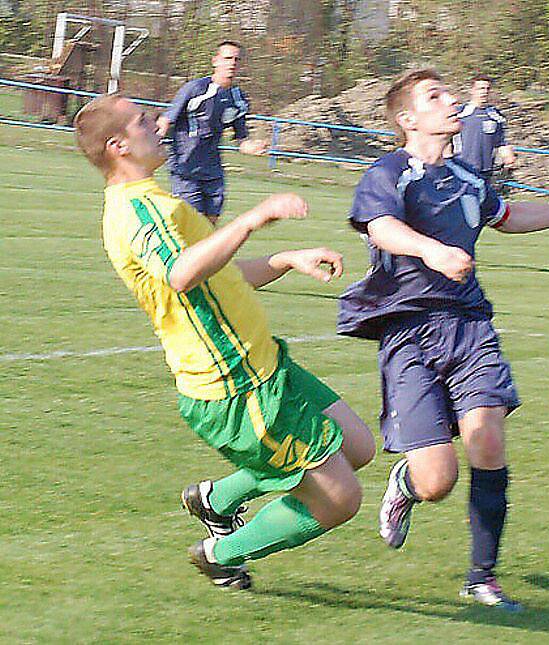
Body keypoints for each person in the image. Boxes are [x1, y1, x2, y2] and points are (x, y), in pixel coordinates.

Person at [337, 69, 549, 611]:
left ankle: (482, 576)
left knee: (488, 441)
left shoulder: (469, 177)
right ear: (408, 119)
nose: (450, 102)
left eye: (448, 92)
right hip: (409, 331)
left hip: (470, 325)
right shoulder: (390, 172)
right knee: (438, 480)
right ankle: (408, 482)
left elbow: (512, 217)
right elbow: (379, 226)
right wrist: (432, 251)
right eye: (435, 96)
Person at [75, 94, 375, 590]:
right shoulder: (137, 211)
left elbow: (216, 275)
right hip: (235, 387)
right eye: (143, 121)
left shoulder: (159, 202)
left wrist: (283, 259)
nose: (158, 125)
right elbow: (182, 274)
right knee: (341, 497)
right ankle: (221, 553)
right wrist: (256, 217)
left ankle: (216, 500)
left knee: (359, 445)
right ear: (118, 146)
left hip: (265, 365)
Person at [156, 41, 268, 225]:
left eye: (236, 59)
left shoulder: (238, 99)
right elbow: (166, 120)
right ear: (215, 61)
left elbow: (241, 139)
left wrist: (252, 147)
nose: (232, 63)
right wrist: (151, 144)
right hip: (185, 169)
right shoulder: (195, 89)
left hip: (213, 171)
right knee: (192, 226)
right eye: (227, 58)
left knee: (209, 227)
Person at [452, 74, 516, 183]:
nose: (485, 92)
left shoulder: (495, 115)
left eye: (488, 89)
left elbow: (500, 142)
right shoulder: (459, 112)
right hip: (462, 168)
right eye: (481, 88)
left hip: (486, 171)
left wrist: (508, 157)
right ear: (472, 90)